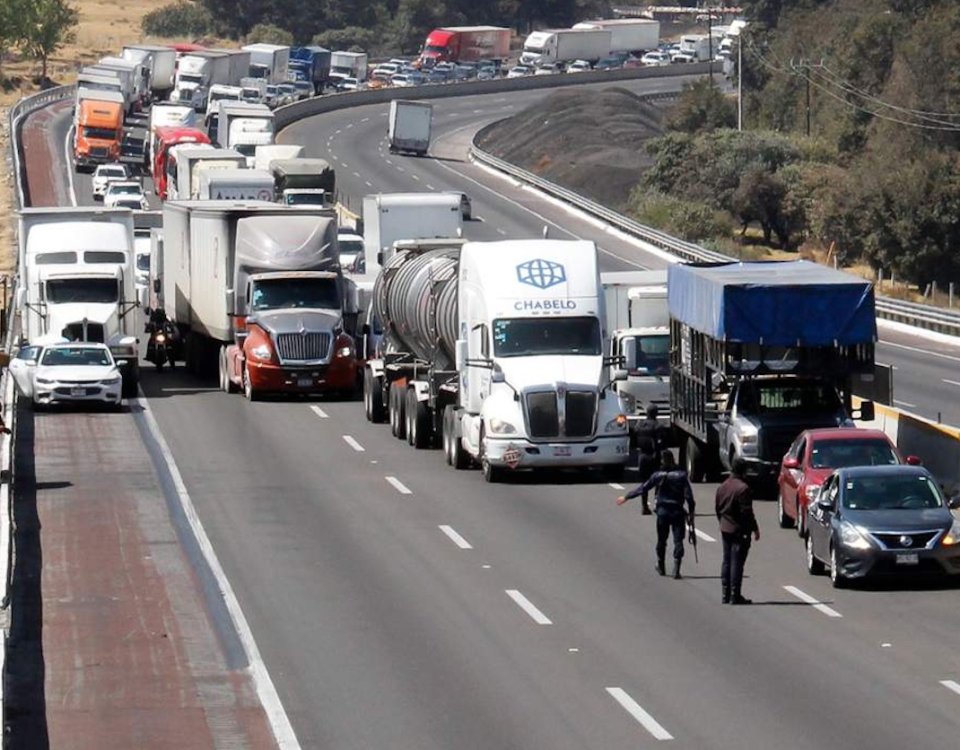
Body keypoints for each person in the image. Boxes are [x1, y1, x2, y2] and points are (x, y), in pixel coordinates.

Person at [618, 452, 695, 579]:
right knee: (678, 540)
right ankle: (677, 568)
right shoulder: (681, 476)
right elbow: (689, 498)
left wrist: (626, 497)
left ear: (662, 462)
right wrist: (691, 513)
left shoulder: (657, 476)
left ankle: (661, 565)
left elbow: (643, 488)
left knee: (661, 540)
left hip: (663, 512)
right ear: (673, 460)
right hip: (677, 512)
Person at [714, 458, 760, 605]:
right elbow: (747, 513)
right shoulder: (743, 489)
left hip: (725, 528)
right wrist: (754, 528)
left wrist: (722, 522)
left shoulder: (722, 487)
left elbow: (717, 508)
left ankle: (725, 594)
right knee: (737, 562)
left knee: (726, 560)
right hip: (739, 530)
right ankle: (735, 594)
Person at [634, 404, 668, 515]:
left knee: (645, 482)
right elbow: (661, 442)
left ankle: (644, 506)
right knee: (658, 481)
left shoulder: (639, 425)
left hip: (642, 456)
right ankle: (657, 504)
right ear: (656, 413)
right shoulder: (657, 426)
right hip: (654, 456)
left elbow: (634, 439)